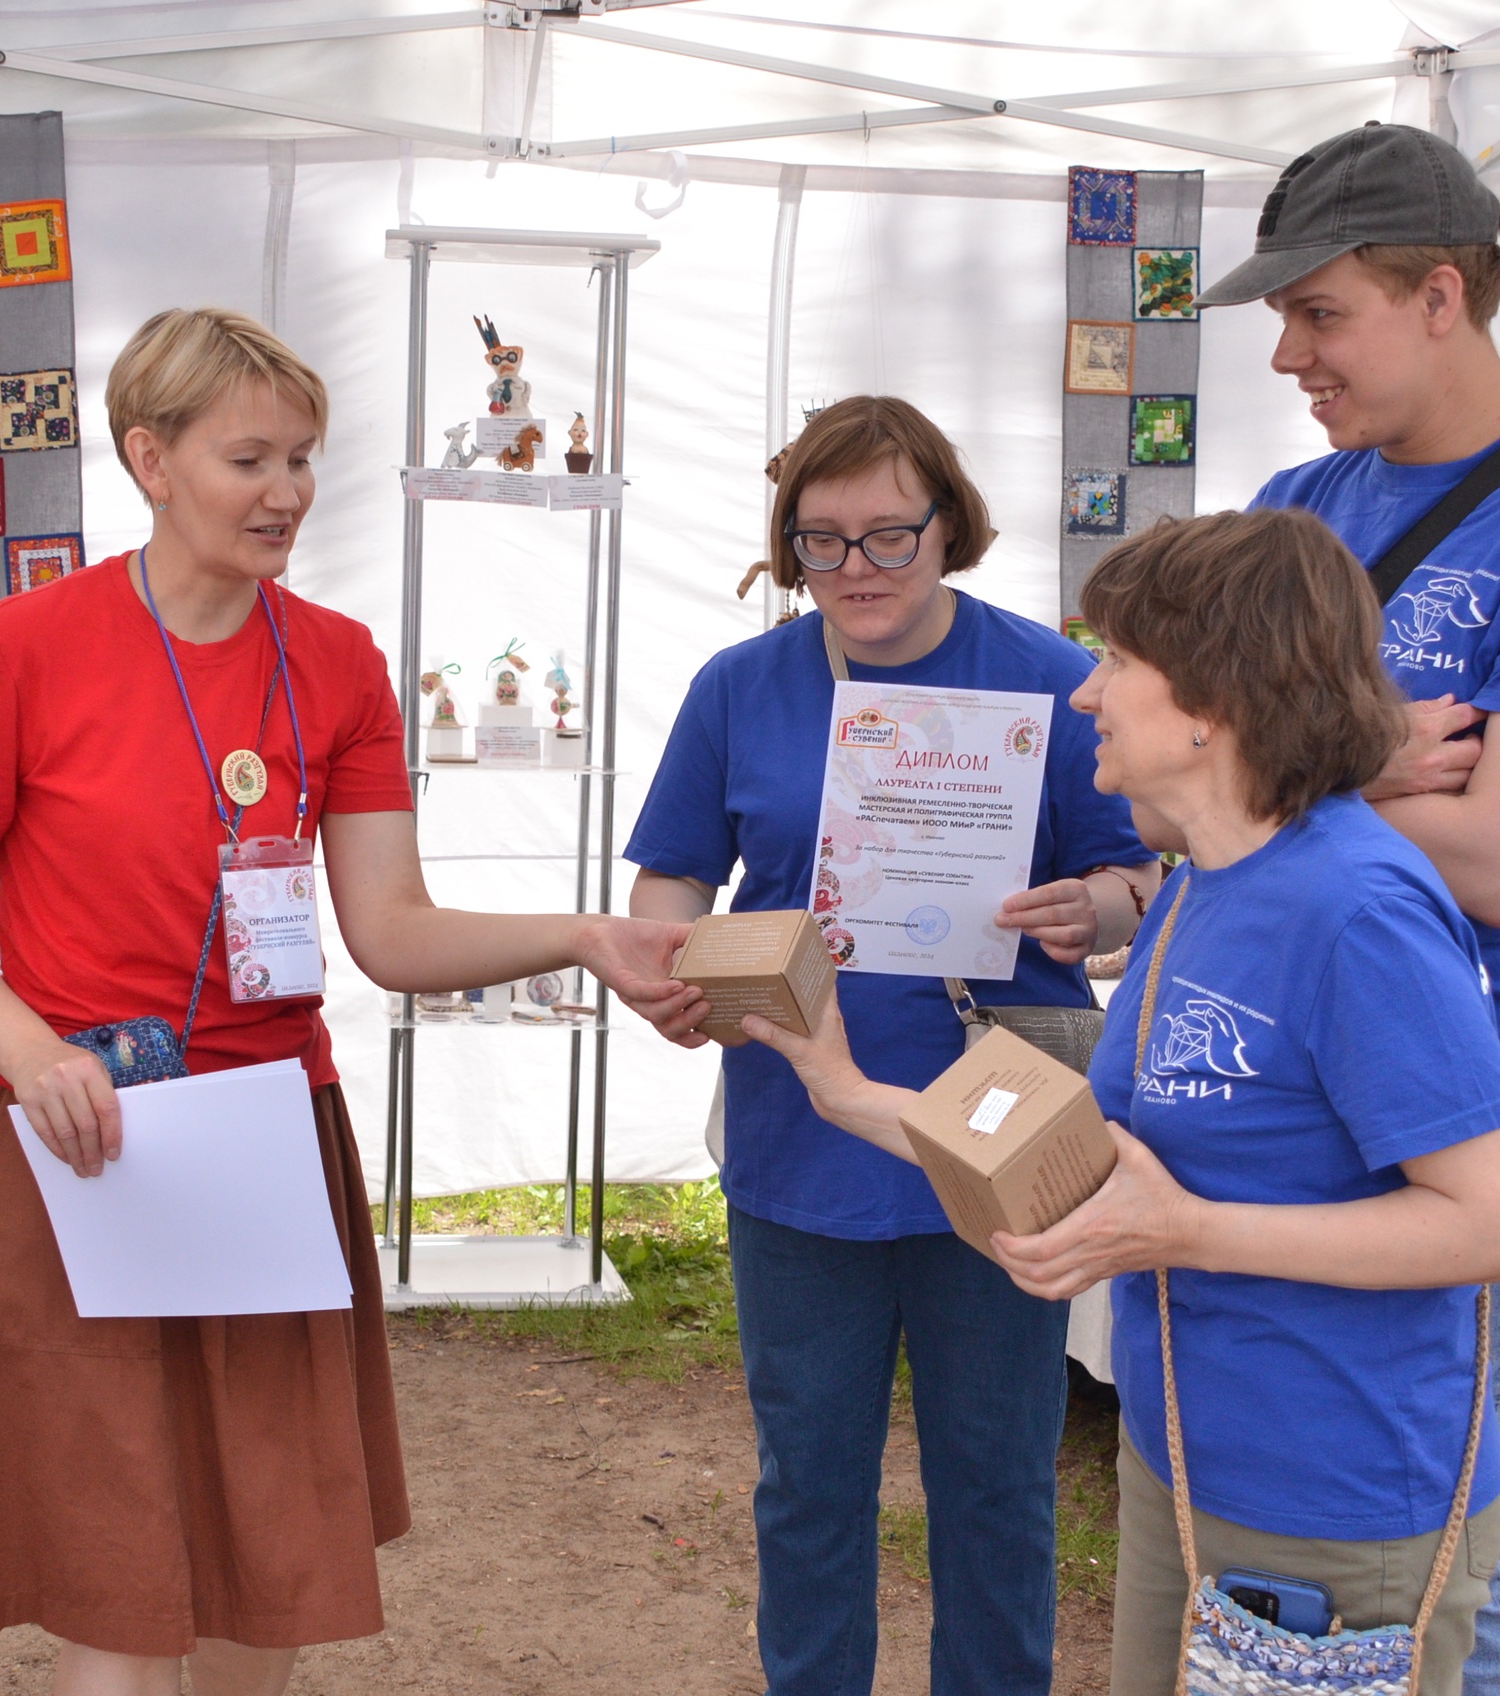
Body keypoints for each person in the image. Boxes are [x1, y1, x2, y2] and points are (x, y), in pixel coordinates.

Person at [0, 307, 689, 1696]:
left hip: (261, 1137)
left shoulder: (337, 662)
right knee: (116, 1579)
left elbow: (391, 928)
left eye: (302, 458)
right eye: (249, 459)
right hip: (81, 1140)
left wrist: (580, 934)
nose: (287, 492)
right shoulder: (19, 650)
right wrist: (28, 1050)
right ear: (152, 460)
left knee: (266, 1561)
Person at [746, 509, 1500, 1696]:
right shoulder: (1202, 884)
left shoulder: (1356, 908)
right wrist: (845, 1090)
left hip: (1335, 1501)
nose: (1085, 693)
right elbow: (1091, 1151)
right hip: (1189, 1467)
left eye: (1118, 658)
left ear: (1212, 701)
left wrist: (1187, 1231)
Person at [1196, 120, 1500, 1696]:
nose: (1290, 354)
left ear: (1442, 296)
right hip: (1273, 1074)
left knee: (1462, 1503)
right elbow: (1179, 779)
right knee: (1304, 1484)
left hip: (1457, 1094)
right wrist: (1368, 764)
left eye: (1319, 313)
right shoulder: (1296, 502)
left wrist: (1286, 772)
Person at [620, 396, 1157, 1696]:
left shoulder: (1051, 676)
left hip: (1001, 1143)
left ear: (947, 526)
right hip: (801, 1145)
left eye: (887, 536)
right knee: (808, 1482)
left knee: (998, 1484)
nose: (855, 568)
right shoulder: (741, 686)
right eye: (821, 541)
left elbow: (1143, 875)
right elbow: (672, 879)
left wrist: (1090, 909)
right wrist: (670, 962)